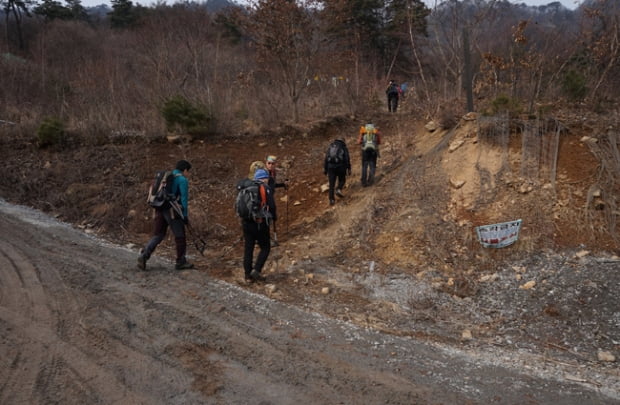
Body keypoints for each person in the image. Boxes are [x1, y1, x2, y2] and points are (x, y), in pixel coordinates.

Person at [137, 160, 194, 271]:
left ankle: (144, 255)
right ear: (185, 170)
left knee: (158, 234)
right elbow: (183, 200)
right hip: (172, 211)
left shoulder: (166, 177)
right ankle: (181, 262)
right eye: (188, 171)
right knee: (180, 236)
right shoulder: (182, 180)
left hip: (159, 208)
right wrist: (185, 216)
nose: (189, 174)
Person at [242, 168, 276, 282]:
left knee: (248, 248)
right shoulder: (265, 188)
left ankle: (247, 276)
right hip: (260, 222)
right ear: (264, 178)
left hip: (246, 222)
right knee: (266, 247)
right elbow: (271, 205)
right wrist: (274, 217)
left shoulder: (247, 187)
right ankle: (256, 270)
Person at [324, 138, 351, 206]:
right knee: (342, 180)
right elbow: (347, 158)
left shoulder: (331, 146)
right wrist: (349, 168)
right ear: (343, 141)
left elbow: (326, 158)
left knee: (331, 184)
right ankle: (338, 189)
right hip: (340, 167)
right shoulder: (343, 147)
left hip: (330, 168)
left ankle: (331, 200)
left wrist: (325, 169)